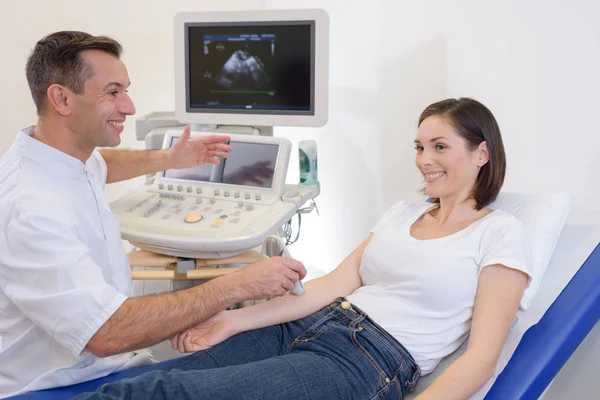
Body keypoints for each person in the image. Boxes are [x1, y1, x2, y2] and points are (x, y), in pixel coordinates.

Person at [74, 97, 532, 400]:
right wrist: (230, 320)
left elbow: (481, 356)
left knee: (166, 396)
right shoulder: (403, 214)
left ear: (482, 154)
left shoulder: (500, 234)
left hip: (367, 359)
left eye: (439, 146)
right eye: (419, 146)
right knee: (157, 381)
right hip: (309, 323)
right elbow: (329, 286)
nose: (424, 159)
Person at [0, 31, 306, 398]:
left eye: (126, 90)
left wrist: (169, 159)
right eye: (112, 93)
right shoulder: (31, 208)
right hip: (61, 386)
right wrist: (239, 285)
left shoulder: (60, 155)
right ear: (61, 98)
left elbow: (102, 164)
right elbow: (107, 332)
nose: (128, 107)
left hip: (107, 364)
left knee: (275, 341)